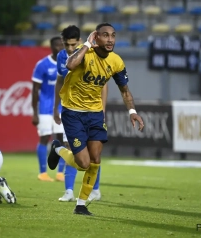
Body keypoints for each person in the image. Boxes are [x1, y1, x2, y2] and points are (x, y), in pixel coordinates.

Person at [48, 23, 144, 215]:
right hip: (73, 112)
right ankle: (58, 148)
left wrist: (132, 111)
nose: (110, 40)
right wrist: (86, 45)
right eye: (105, 35)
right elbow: (70, 65)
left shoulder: (116, 61)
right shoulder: (84, 54)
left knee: (96, 160)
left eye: (113, 36)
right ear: (96, 37)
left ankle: (81, 205)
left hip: (95, 114)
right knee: (83, 163)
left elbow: (124, 91)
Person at [54, 25, 105, 202]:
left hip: (91, 111)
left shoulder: (91, 53)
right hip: (70, 111)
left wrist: (102, 109)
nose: (69, 49)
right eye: (66, 45)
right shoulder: (61, 57)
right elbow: (60, 81)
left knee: (93, 153)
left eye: (73, 45)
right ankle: (69, 191)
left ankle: (95, 189)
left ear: (80, 41)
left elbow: (103, 84)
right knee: (73, 149)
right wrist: (56, 108)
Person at [31, 36, 66, 182]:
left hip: (62, 108)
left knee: (62, 140)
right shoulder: (42, 65)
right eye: (56, 46)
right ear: (51, 47)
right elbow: (35, 90)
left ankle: (60, 173)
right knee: (45, 138)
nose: (59, 48)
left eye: (61, 45)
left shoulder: (66, 64)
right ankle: (43, 172)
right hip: (45, 109)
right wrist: (34, 113)